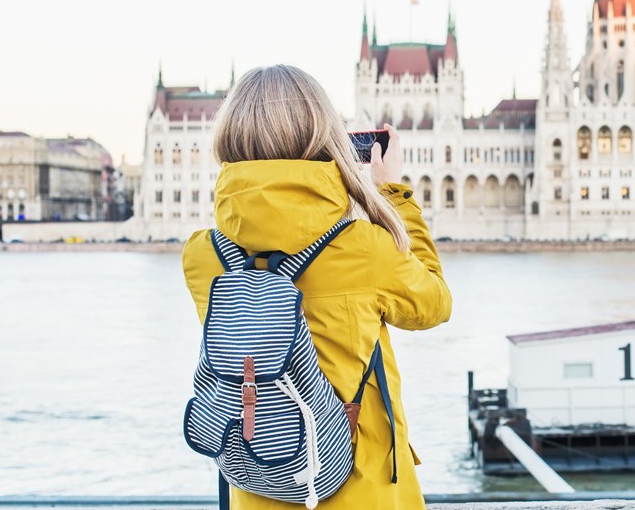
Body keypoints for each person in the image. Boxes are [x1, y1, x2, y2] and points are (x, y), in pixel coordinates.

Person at [182, 64, 452, 509]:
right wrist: (394, 196)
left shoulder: (203, 256)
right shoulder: (365, 248)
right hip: (360, 492)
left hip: (257, 483)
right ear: (324, 136)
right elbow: (435, 304)